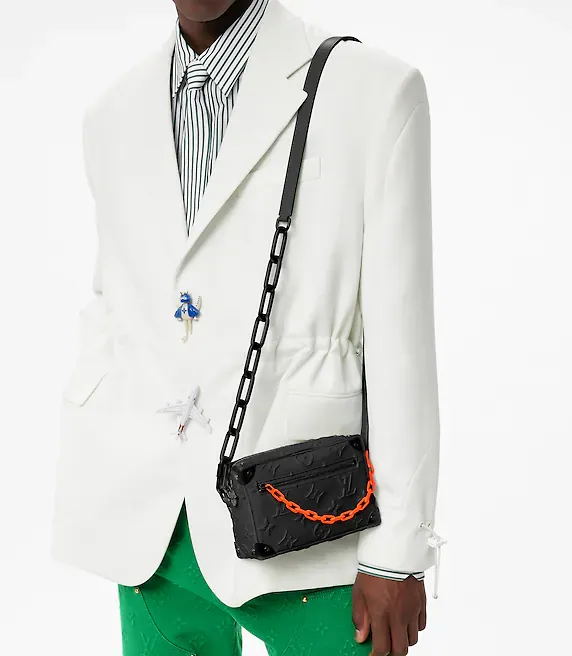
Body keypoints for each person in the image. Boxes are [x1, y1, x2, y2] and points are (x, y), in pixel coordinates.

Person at [50, 0, 444, 654]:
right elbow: (117, 301)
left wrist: (399, 553)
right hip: (150, 526)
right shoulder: (112, 116)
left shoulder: (373, 91)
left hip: (306, 521)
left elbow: (402, 340)